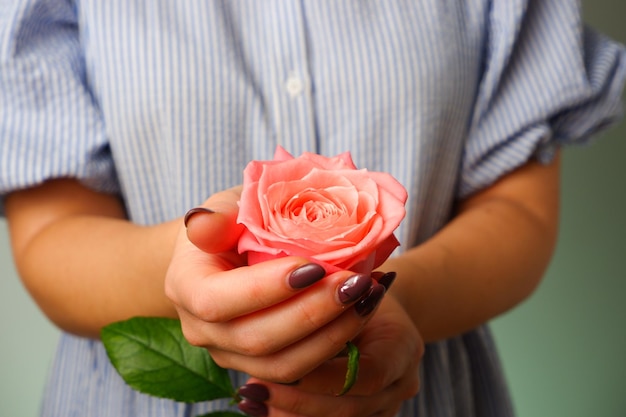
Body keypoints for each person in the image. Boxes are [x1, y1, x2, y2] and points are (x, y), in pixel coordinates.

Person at [1, 1, 624, 416]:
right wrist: (198, 261)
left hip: (418, 387)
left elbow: (519, 211)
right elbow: (51, 235)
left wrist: (392, 301)